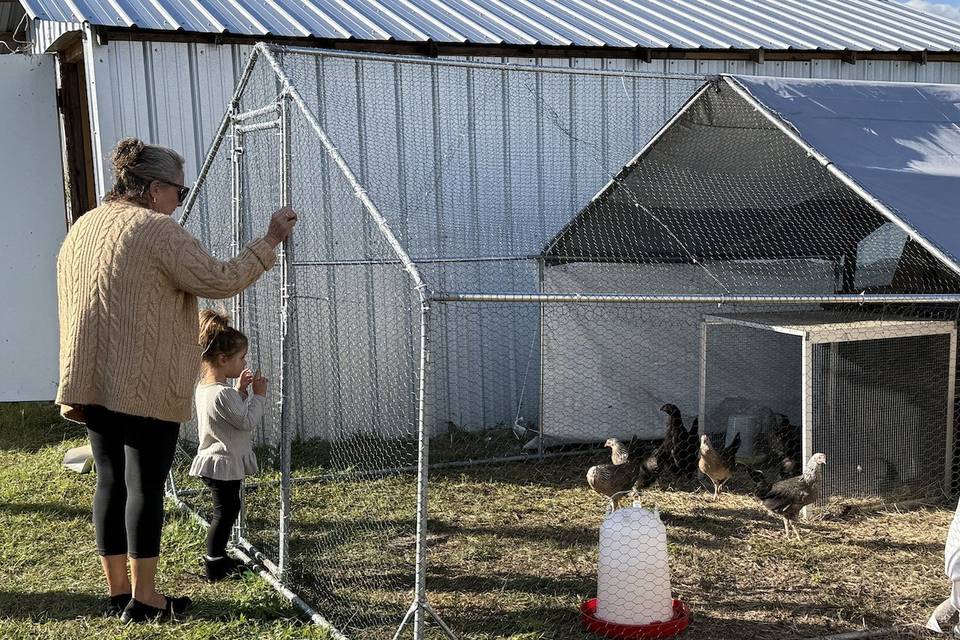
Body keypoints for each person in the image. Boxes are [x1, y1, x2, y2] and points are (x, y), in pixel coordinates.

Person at [55, 137, 297, 623]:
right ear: (153, 187)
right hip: (144, 382)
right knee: (144, 486)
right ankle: (146, 600)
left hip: (91, 377)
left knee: (110, 480)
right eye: (179, 193)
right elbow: (220, 279)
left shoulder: (82, 226)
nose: (179, 202)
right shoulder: (157, 231)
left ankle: (119, 593)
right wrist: (270, 241)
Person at [189, 310, 266, 581]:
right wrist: (258, 396)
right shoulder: (222, 394)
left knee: (227, 509)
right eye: (241, 357)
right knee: (225, 513)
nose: (244, 361)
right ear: (223, 359)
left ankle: (218, 556)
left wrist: (241, 391)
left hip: (215, 461)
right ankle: (214, 563)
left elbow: (229, 414)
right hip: (222, 464)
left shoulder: (206, 387)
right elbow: (245, 421)